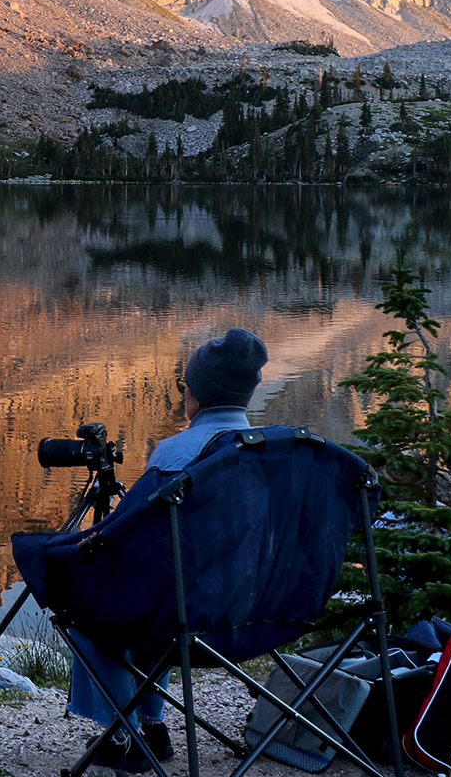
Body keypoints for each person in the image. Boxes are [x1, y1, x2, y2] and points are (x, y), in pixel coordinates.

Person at [73, 327, 269, 772]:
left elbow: (128, 535)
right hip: (258, 612)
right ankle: (152, 723)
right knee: (168, 584)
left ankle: (121, 733)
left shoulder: (180, 452)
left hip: (192, 622)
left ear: (197, 394)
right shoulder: (271, 450)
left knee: (95, 597)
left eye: (185, 385)